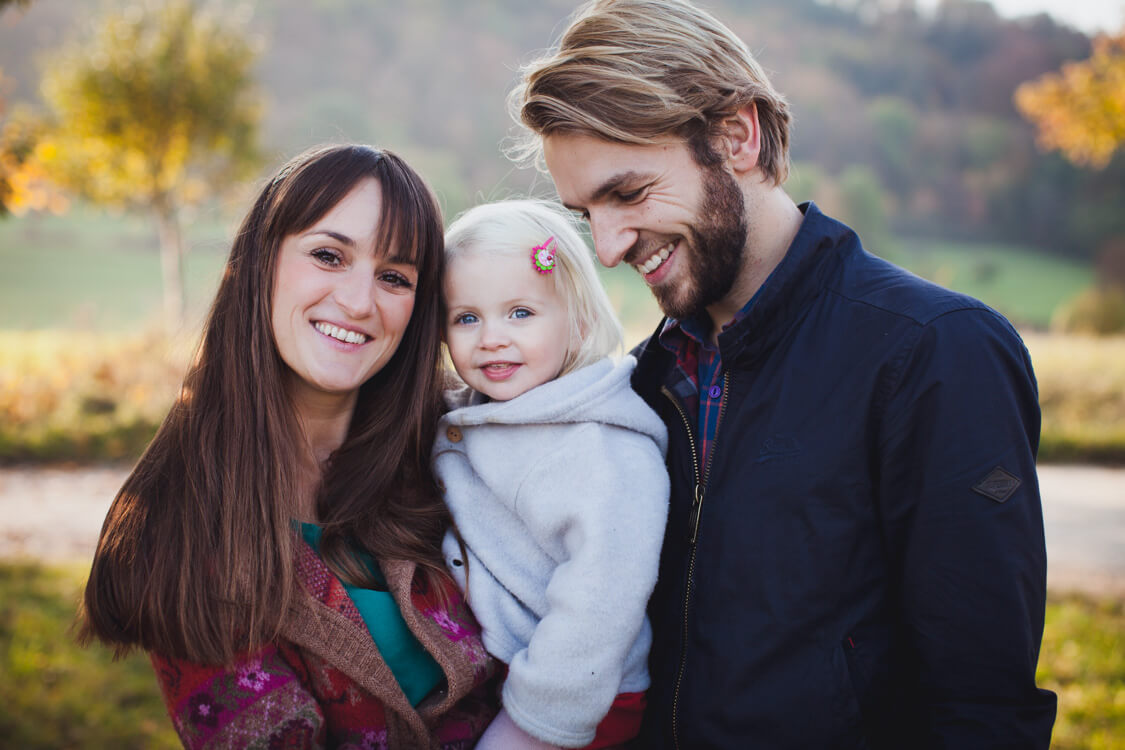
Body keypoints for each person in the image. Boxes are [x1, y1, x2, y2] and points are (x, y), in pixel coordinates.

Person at [508, 1, 1058, 747]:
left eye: (629, 193)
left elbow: (982, 706)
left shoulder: (936, 353)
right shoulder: (642, 383)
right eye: (585, 215)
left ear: (736, 135)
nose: (607, 248)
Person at [79, 144, 499, 749]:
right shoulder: (178, 527)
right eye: (328, 256)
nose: (359, 302)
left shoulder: (461, 443)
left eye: (394, 277)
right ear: (261, 262)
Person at [434, 199, 669, 749]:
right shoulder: (481, 413)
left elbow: (601, 601)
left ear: (579, 319)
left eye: (520, 313)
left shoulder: (602, 447)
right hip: (508, 668)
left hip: (576, 696)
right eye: (467, 317)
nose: (491, 336)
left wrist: (534, 720)